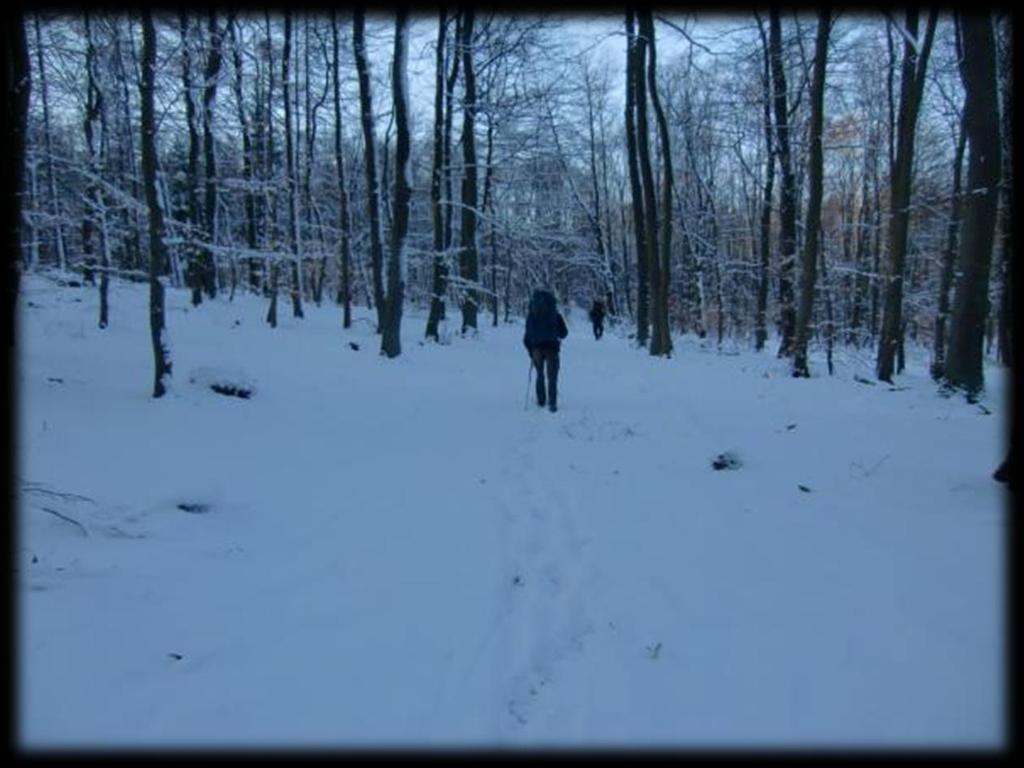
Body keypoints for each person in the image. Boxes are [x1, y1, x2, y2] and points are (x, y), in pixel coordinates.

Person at [523, 289, 568, 412]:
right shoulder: (555, 314)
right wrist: (555, 334)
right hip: (552, 348)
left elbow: (527, 335)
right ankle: (552, 403)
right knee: (552, 376)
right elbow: (564, 333)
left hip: (536, 348)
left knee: (540, 374)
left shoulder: (531, 315)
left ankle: (541, 401)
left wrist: (530, 350)